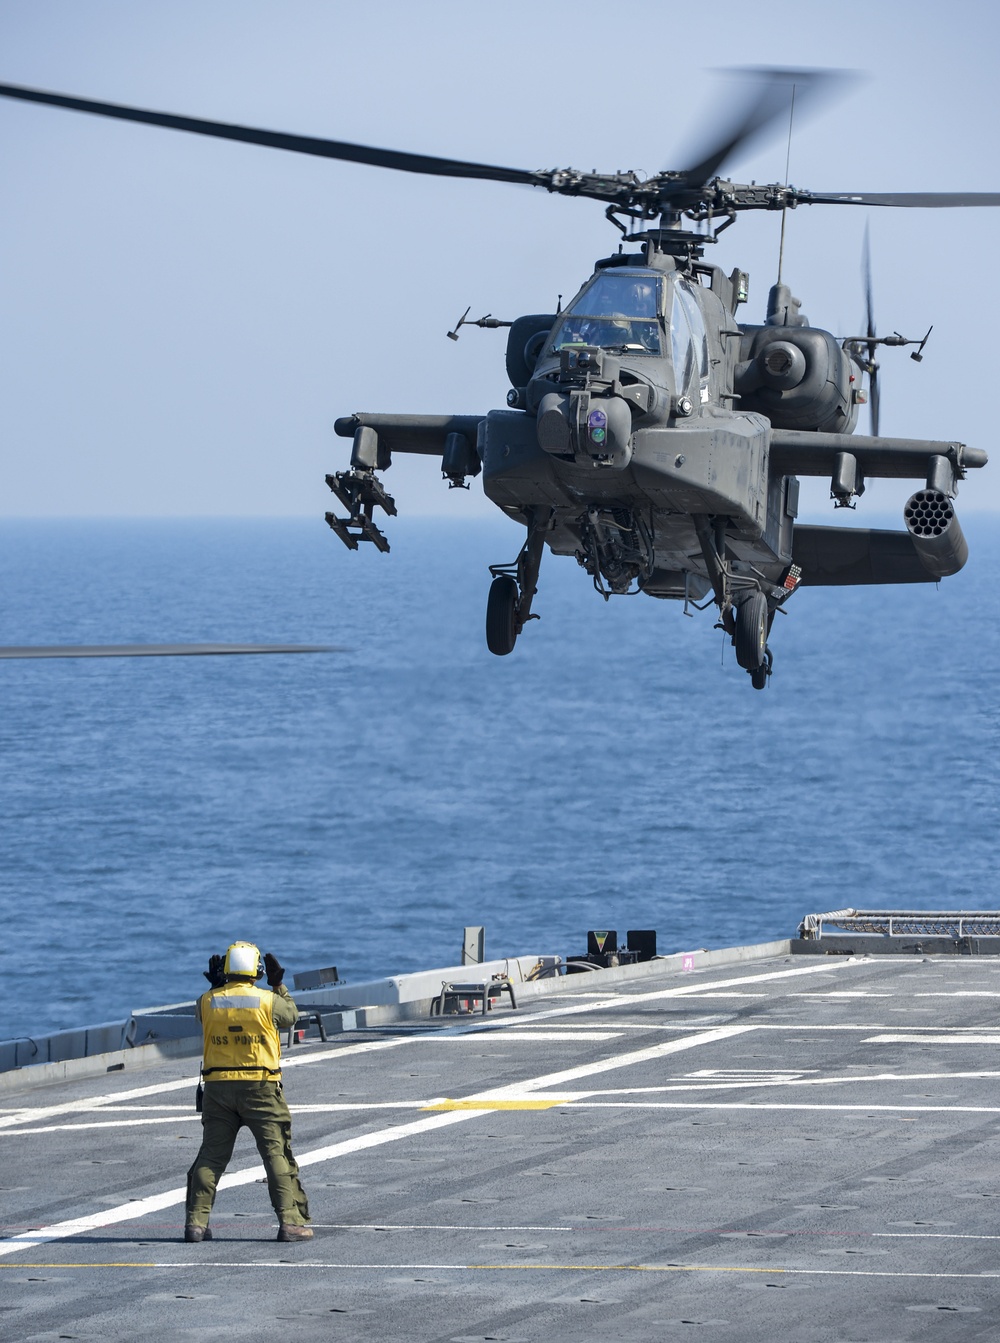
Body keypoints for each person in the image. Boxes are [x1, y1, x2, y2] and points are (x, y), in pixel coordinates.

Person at [184, 941, 313, 1244]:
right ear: (257, 970)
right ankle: (291, 1223)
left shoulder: (207, 1001)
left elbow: (202, 1014)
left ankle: (195, 1224)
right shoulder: (268, 1000)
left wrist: (217, 986)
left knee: (211, 1158)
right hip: (260, 1088)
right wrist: (279, 984)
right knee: (275, 1156)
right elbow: (291, 1015)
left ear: (226, 969)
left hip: (218, 1089)